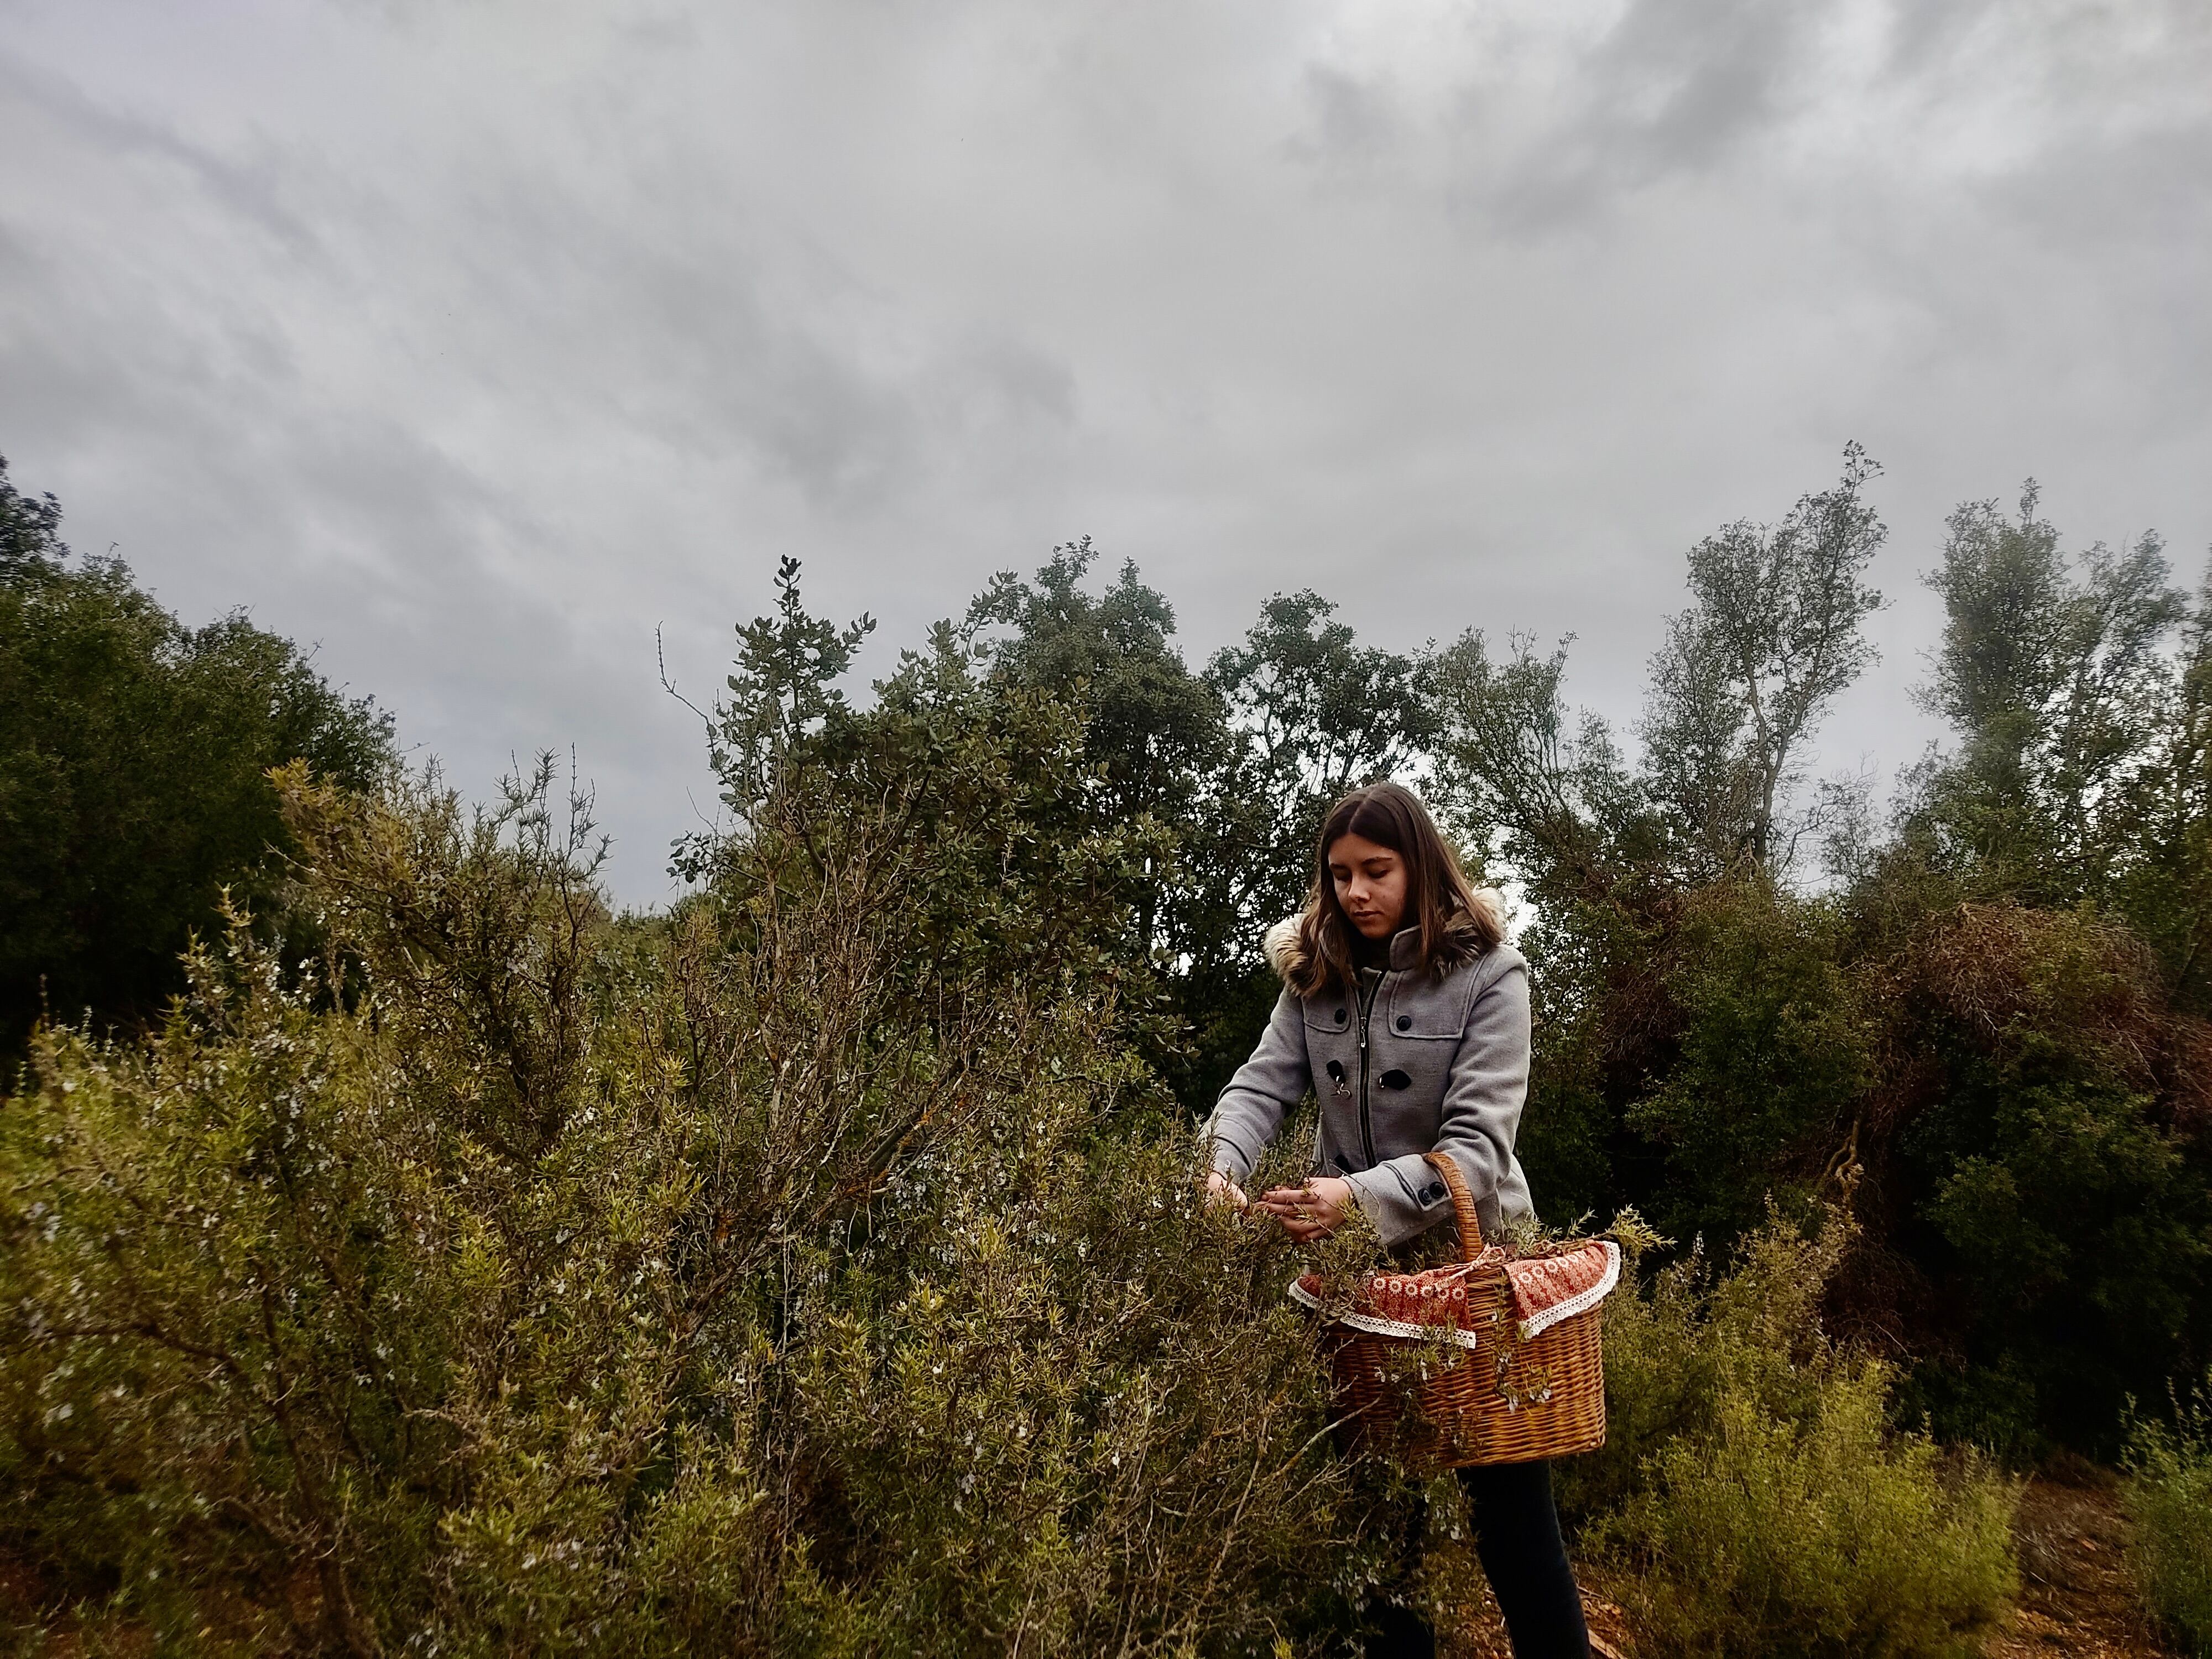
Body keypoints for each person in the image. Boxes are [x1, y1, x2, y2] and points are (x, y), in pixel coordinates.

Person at [1203, 781, 1590, 1659]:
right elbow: (1260, 1087)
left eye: (1377, 871)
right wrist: (1218, 1172)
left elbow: (1480, 1149)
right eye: (1338, 875)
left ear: (1420, 867)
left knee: (1509, 1510)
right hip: (1362, 1285)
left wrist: (1355, 1200)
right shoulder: (1314, 974)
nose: (1356, 893)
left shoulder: (1492, 974)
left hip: (1474, 1269)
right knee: (1376, 1513)